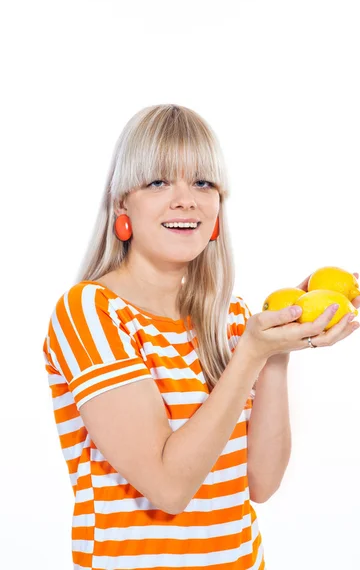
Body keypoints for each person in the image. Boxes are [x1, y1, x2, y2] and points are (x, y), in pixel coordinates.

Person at [42, 104, 266, 570]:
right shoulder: (91, 311)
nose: (186, 200)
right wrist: (252, 355)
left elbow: (261, 483)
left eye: (203, 183)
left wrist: (278, 352)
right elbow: (168, 488)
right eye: (158, 182)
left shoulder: (235, 318)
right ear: (122, 203)